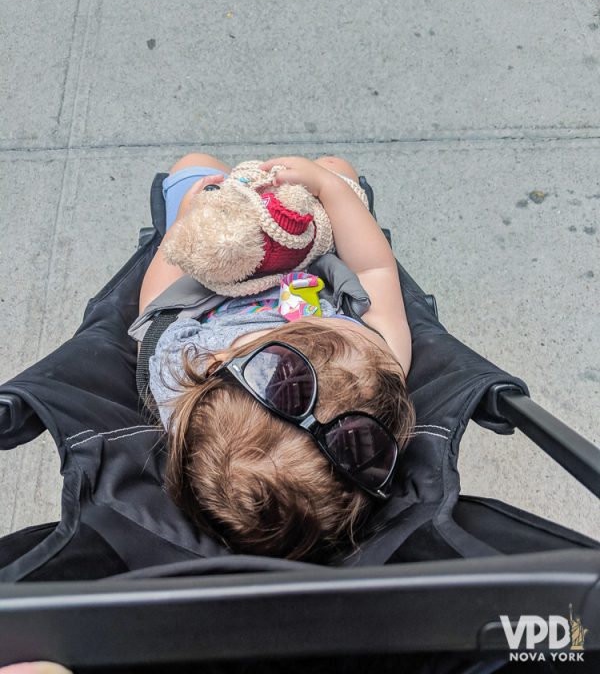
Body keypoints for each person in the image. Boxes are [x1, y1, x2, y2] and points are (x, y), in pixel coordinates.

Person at [138, 153, 414, 563]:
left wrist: (183, 225)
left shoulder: (182, 371)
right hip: (314, 254)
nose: (350, 333)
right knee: (336, 165)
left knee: (194, 165)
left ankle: (197, 177)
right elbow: (374, 270)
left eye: (278, 348)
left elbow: (157, 304)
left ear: (217, 367)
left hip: (210, 268)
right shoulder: (381, 360)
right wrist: (329, 187)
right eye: (331, 332)